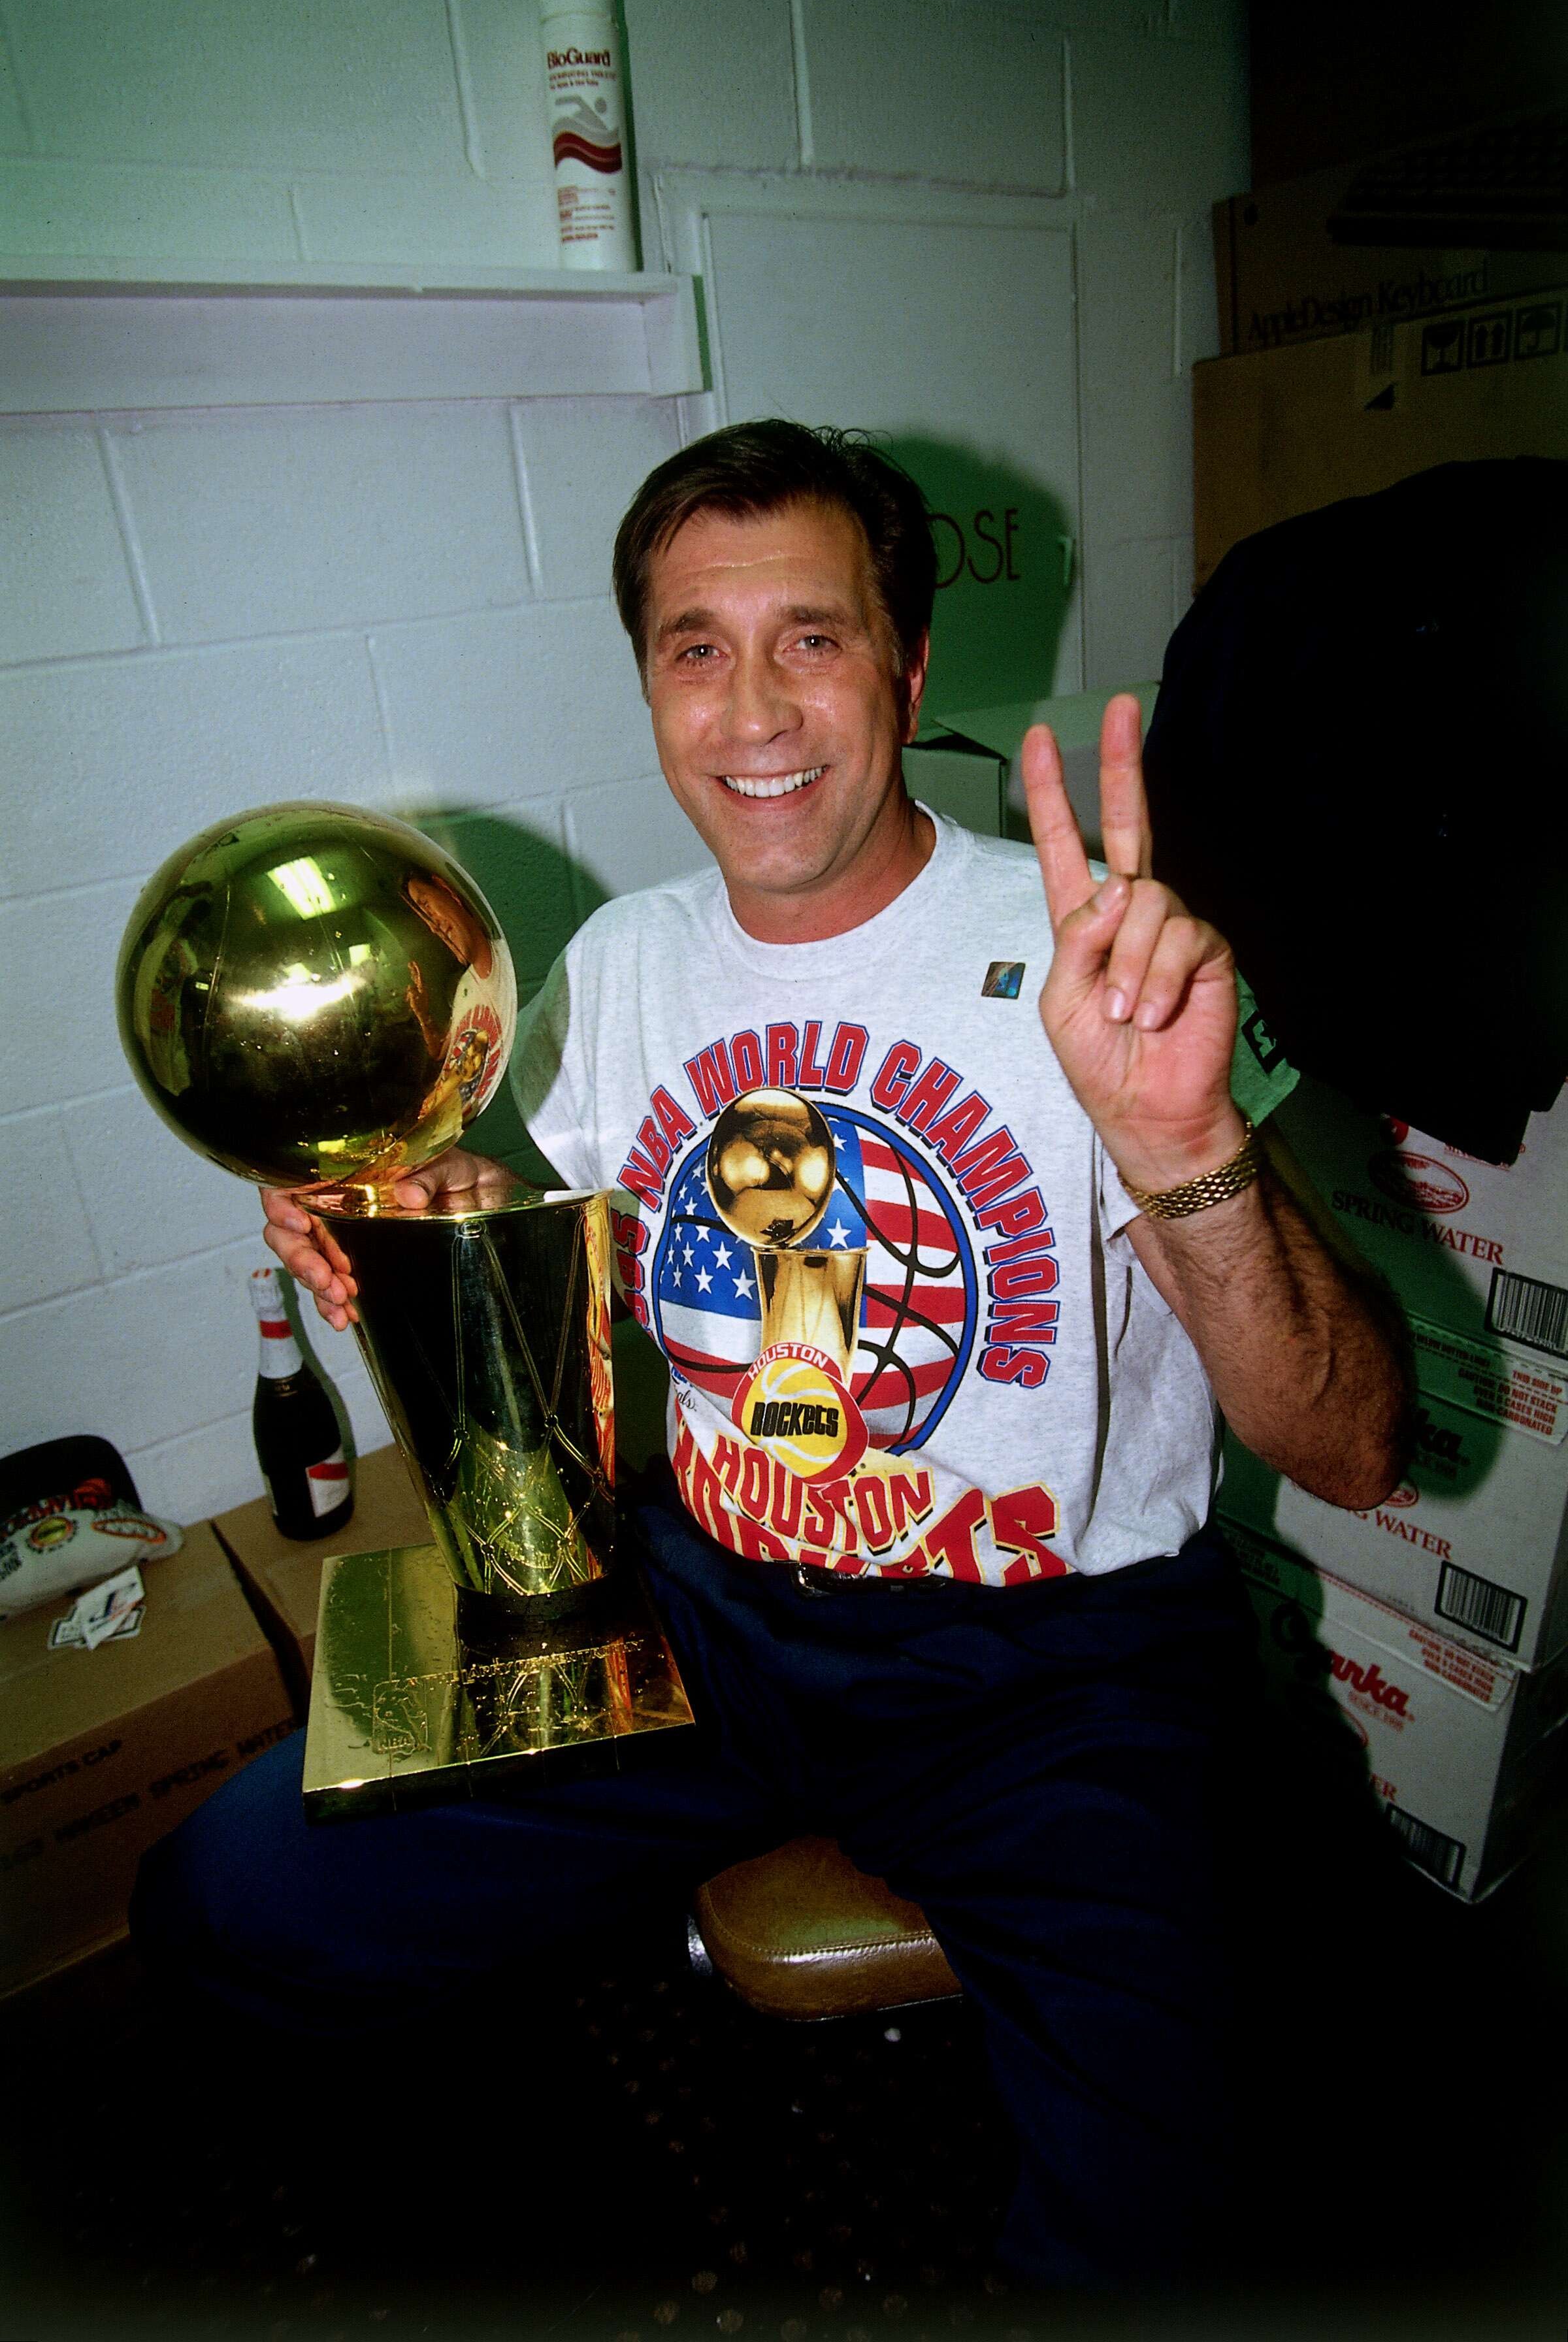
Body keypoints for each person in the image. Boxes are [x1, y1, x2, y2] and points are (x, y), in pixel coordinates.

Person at [136, 422, 1411, 2289]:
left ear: (905, 666)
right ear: (648, 679)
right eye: (694, 645)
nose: (755, 711)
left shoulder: (1086, 957)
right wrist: (412, 1216)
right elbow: (535, 1255)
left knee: (1174, 2237)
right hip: (712, 1608)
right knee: (231, 1908)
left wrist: (1181, 1148)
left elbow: (1362, 1447)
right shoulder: (624, 969)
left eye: (812, 637)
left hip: (1056, 1666)